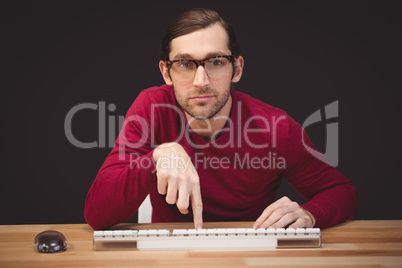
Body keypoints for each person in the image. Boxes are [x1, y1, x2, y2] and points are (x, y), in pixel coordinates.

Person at [84, 8, 358, 231]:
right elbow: (96, 213)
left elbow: (342, 191)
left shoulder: (275, 127)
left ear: (236, 68)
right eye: (184, 63)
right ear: (166, 73)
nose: (200, 81)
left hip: (251, 253)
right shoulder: (152, 106)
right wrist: (157, 157)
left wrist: (310, 214)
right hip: (171, 256)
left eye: (215, 61)